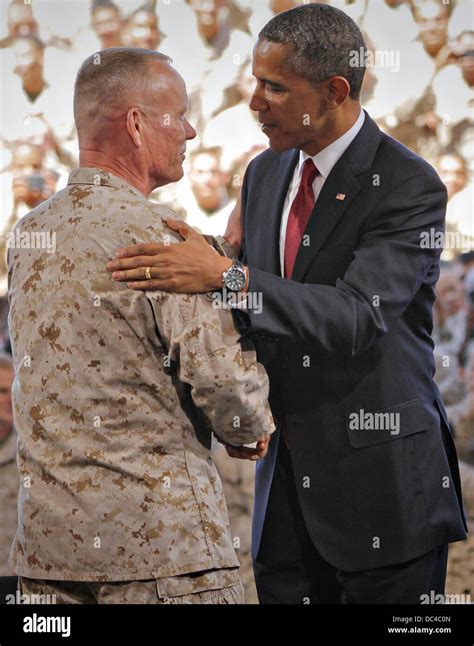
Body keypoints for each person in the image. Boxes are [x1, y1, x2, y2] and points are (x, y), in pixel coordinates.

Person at [107, 4, 467, 604]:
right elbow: (256, 287)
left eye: (274, 86)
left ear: (334, 91)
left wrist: (224, 275)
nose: (254, 102)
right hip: (285, 500)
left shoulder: (409, 184)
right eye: (254, 81)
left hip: (384, 496)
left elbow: (357, 316)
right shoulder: (266, 173)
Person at [7, 46, 274, 605]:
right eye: (178, 115)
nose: (193, 131)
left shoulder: (29, 235)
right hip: (163, 562)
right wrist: (251, 427)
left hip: (49, 563)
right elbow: (226, 388)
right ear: (135, 124)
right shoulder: (162, 236)